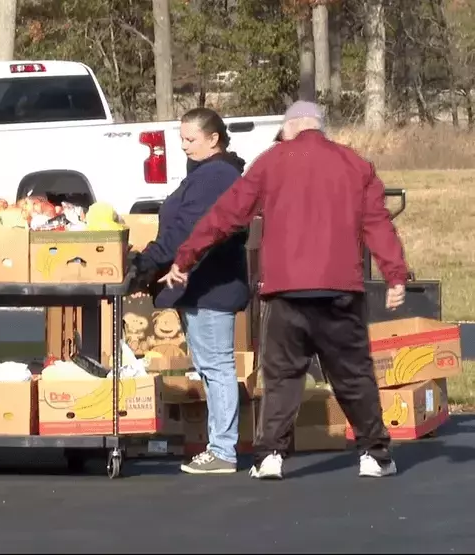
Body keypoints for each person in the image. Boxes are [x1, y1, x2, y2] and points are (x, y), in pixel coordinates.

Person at [159, 101, 408, 480]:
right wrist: (395, 275)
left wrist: (186, 257)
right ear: (319, 127)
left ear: (290, 128)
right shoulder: (355, 164)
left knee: (282, 377)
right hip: (340, 289)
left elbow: (226, 215)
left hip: (285, 290)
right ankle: (375, 455)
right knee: (354, 375)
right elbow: (377, 223)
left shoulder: (271, 161)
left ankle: (270, 455)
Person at [132, 107, 251, 475]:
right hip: (201, 283)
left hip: (211, 286)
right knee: (211, 366)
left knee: (217, 368)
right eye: (181, 138)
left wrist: (147, 263)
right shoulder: (207, 172)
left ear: (213, 139)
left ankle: (223, 450)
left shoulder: (216, 175)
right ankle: (221, 447)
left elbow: (187, 229)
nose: (183, 146)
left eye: (190, 139)